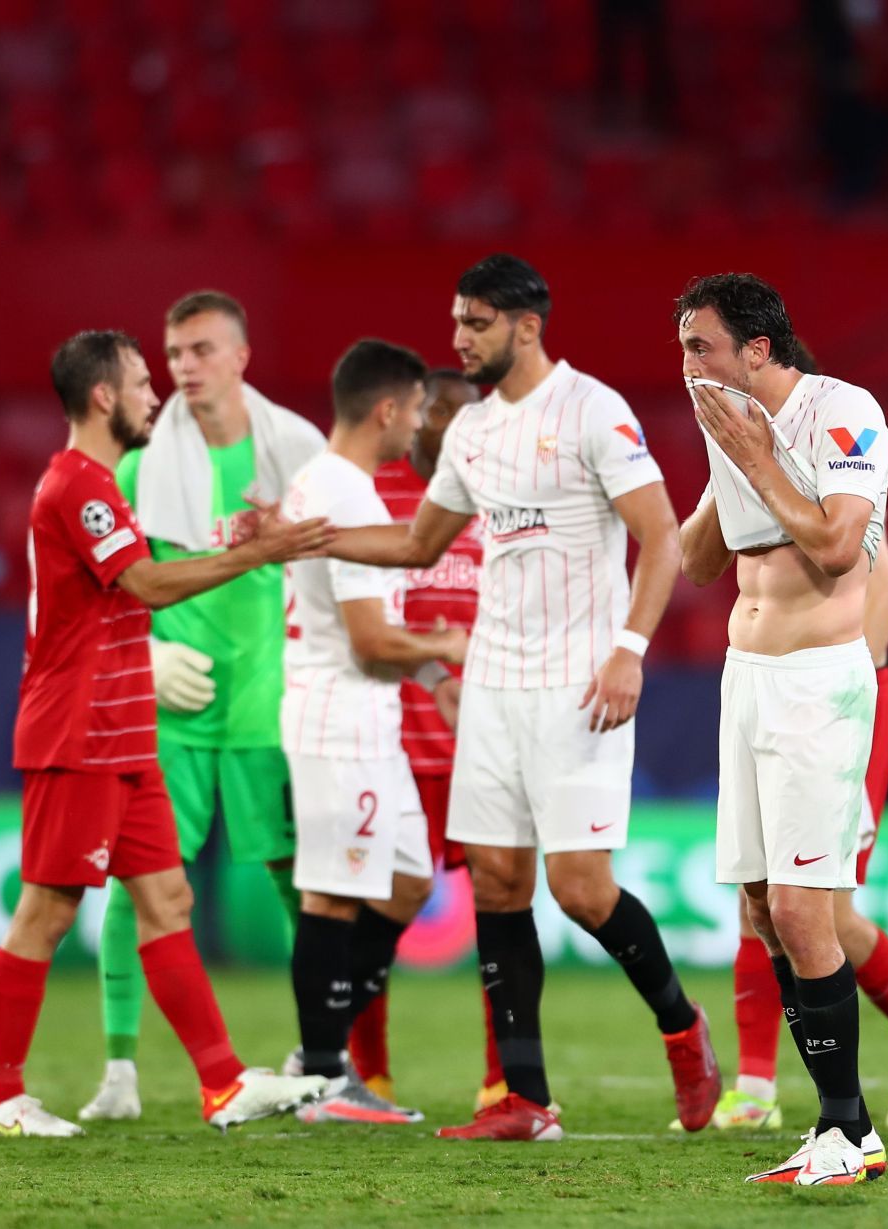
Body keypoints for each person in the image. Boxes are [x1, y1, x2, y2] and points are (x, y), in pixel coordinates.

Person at [318, 253, 718, 1142]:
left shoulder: (593, 411)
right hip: (493, 682)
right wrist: (308, 536)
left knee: (579, 889)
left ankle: (683, 1028)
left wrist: (629, 650)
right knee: (498, 884)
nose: (457, 339)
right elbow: (422, 544)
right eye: (457, 321)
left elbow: (659, 537)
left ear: (526, 325)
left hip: (581, 682)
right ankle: (525, 1098)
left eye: (474, 323)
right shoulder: (469, 433)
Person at [0, 330, 332, 1138]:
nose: (152, 395)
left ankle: (224, 1083)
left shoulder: (99, 485)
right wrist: (263, 552)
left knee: (168, 899)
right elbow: (150, 583)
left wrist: (237, 546)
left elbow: (135, 587)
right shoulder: (80, 485)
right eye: (138, 383)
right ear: (103, 396)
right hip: (80, 729)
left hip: (126, 732)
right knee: (48, 910)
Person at [79, 290, 325, 1122]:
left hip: (269, 700)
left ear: (241, 356)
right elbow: (101, 588)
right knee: (137, 885)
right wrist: (144, 656)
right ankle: (119, 1070)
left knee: (305, 883)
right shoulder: (139, 464)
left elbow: (335, 571)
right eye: (174, 353)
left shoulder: (297, 448)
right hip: (171, 708)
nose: (184, 367)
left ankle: (326, 1057)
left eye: (201, 350)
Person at [674, 272, 888, 1185]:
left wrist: (758, 456)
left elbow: (840, 546)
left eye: (702, 347)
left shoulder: (846, 413)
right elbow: (696, 565)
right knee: (764, 907)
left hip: (817, 682)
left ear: (757, 349)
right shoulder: (726, 425)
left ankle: (849, 1131)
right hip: (748, 678)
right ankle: (838, 1130)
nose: (688, 365)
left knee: (807, 908)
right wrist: (717, 475)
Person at [704, 531, 888, 1136]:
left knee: (824, 913)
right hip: (777, 692)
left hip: (837, 704)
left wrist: (824, 694)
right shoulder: (773, 474)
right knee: (757, 898)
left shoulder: (841, 474)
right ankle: (757, 1088)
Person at [278, 339, 467, 1125]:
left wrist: (431, 681)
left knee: (407, 880)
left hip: (368, 717)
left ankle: (316, 1051)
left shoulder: (331, 483)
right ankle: (323, 1073)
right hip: (339, 718)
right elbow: (368, 639)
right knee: (332, 894)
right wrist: (444, 648)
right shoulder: (345, 493)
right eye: (419, 409)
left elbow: (376, 630)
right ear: (388, 409)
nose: (421, 424)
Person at [354, 370, 504, 1108]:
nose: (434, 426)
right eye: (427, 411)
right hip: (391, 745)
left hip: (484, 748)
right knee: (371, 907)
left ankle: (501, 1077)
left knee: (501, 911)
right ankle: (368, 1072)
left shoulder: (507, 502)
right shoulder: (376, 495)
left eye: (451, 413)